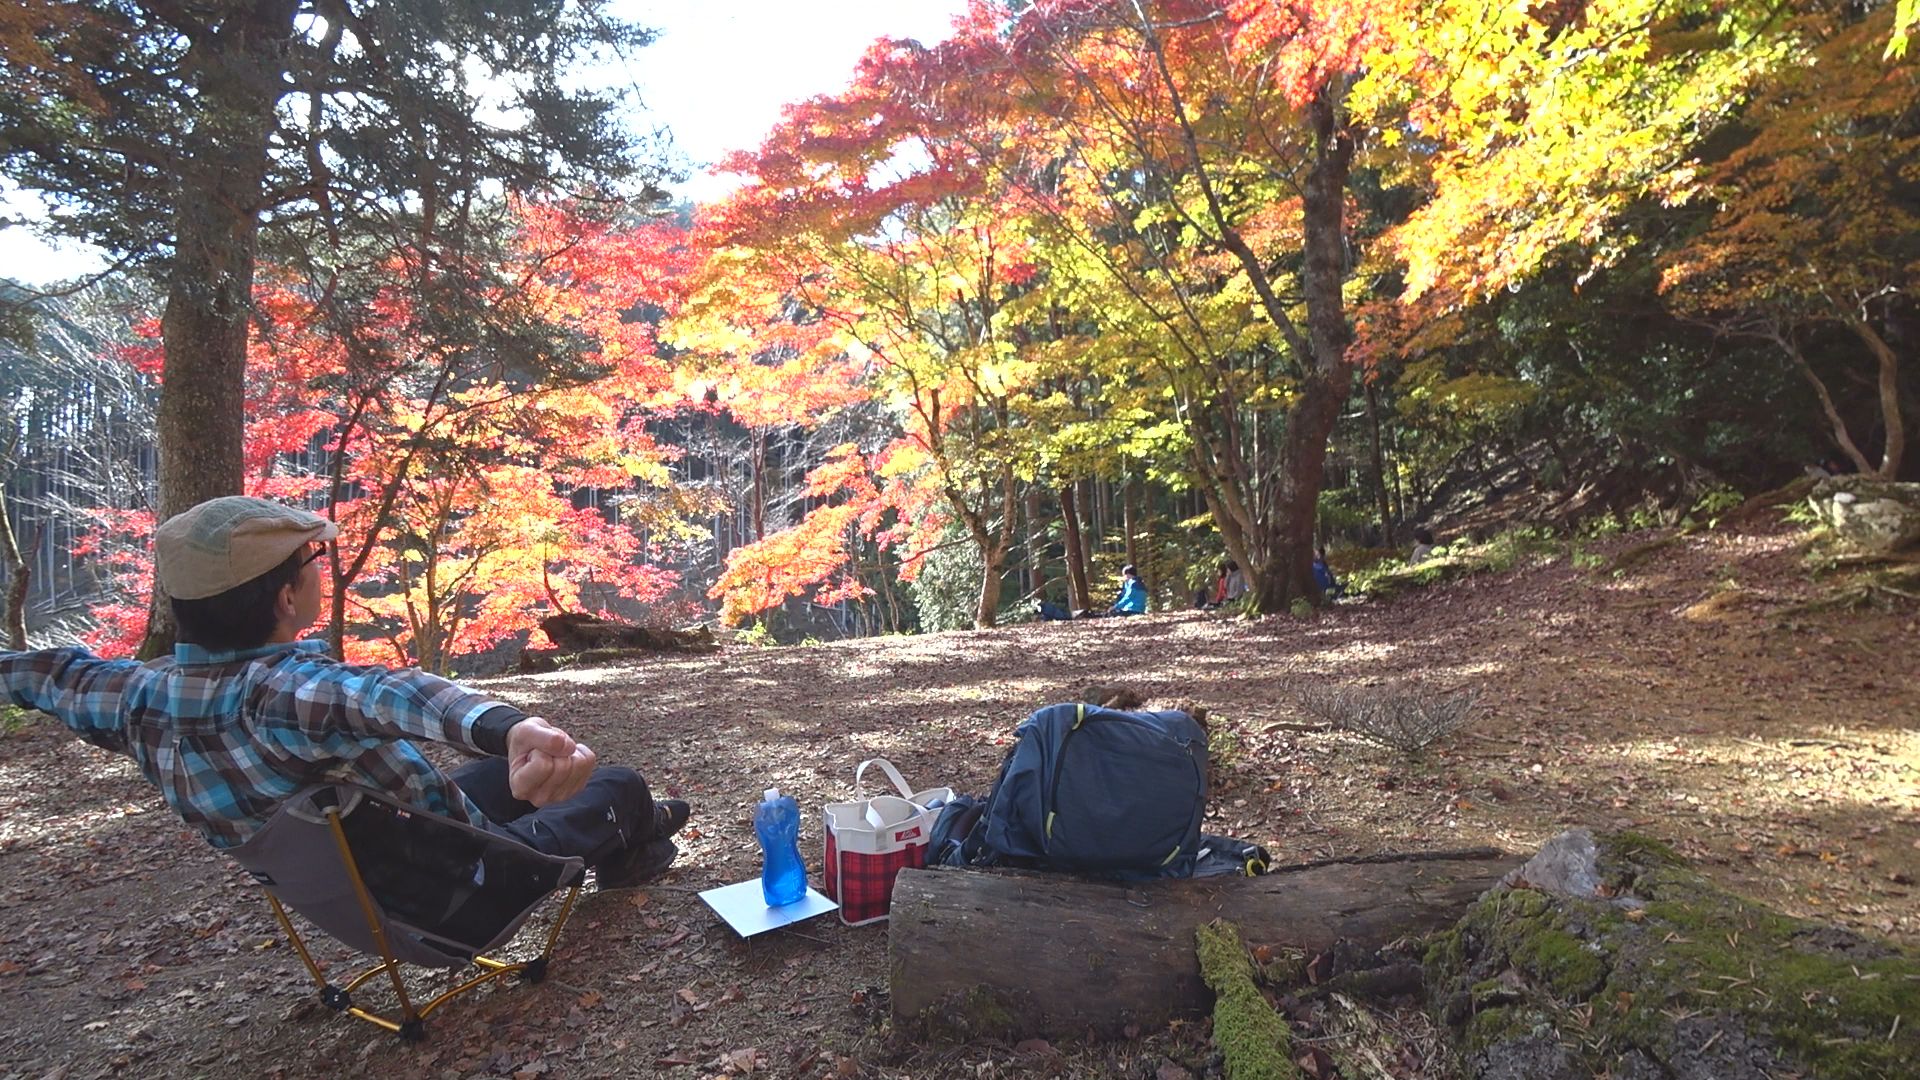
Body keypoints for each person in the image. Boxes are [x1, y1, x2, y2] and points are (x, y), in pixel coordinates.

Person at [0, 496, 689, 893]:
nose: (318, 572)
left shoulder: (134, 696)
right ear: (285, 595)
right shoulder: (288, 693)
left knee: (490, 784)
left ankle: (640, 840)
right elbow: (392, 695)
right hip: (462, 879)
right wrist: (506, 728)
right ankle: (636, 837)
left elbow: (49, 674)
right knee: (622, 784)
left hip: (349, 890)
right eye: (312, 562)